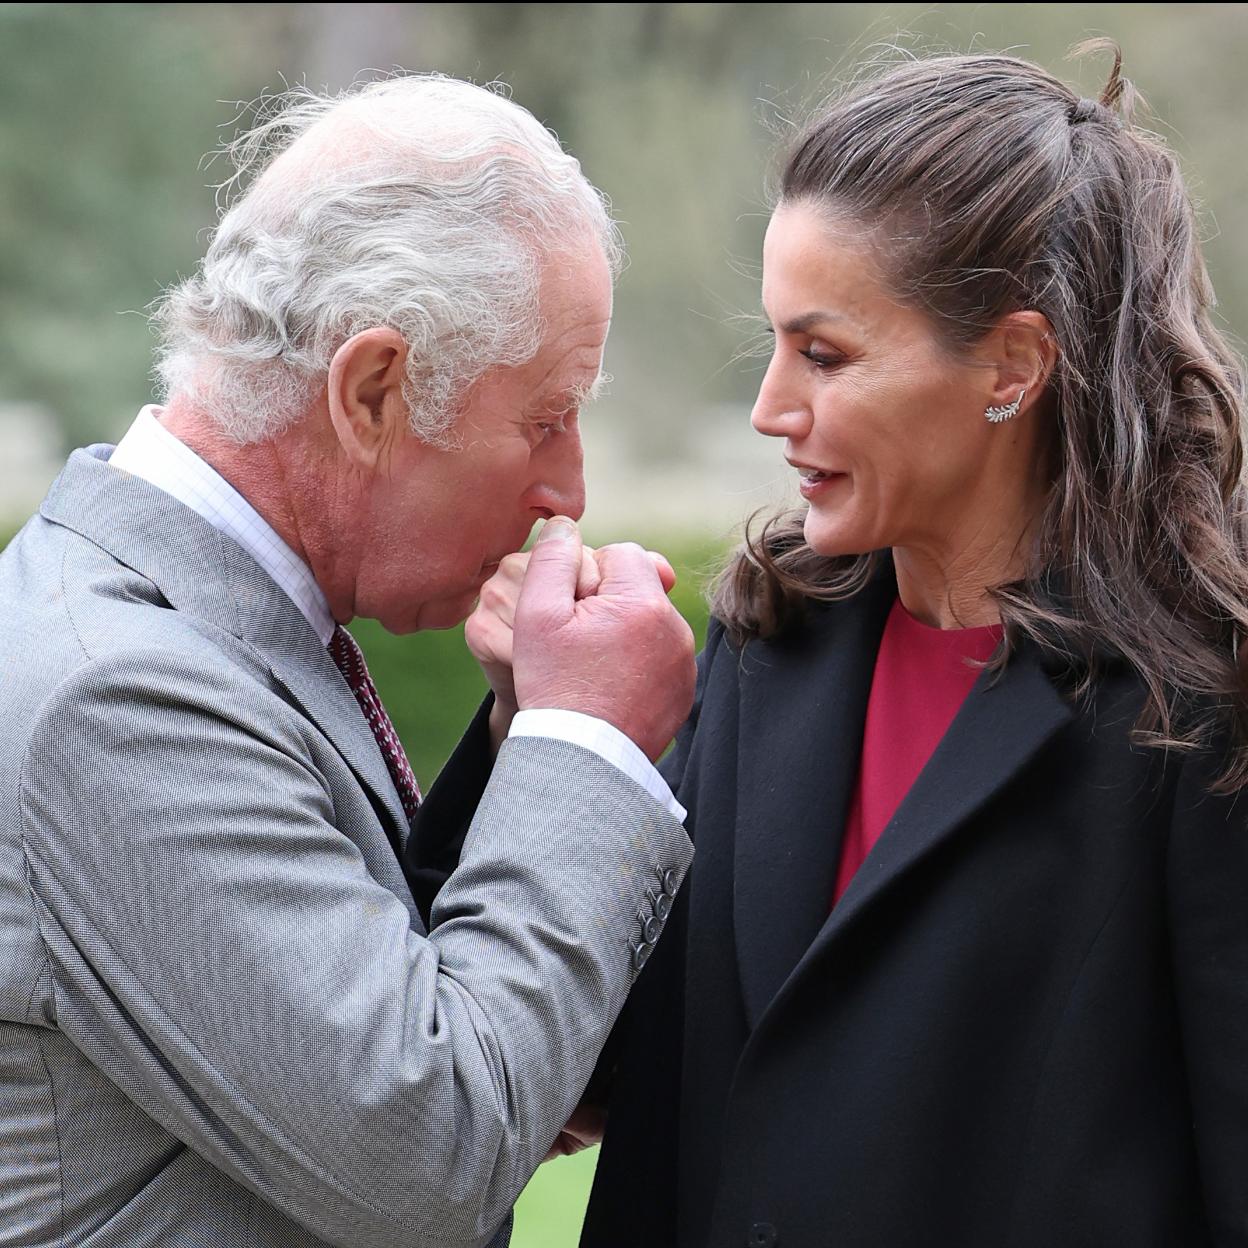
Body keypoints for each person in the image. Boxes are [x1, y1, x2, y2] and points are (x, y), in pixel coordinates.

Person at [450, 46, 1248, 1247]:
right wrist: (550, 727)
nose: (772, 405)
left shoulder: (1198, 706)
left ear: (1012, 367)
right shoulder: (766, 644)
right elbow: (576, 1067)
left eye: (824, 354)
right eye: (774, 345)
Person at [0, 76, 697, 1248]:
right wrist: (588, 742)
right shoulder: (115, 695)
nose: (566, 491)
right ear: (371, 390)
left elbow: (381, 1013)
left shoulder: (182, 628)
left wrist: (529, 747)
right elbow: (429, 1153)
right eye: (544, 419)